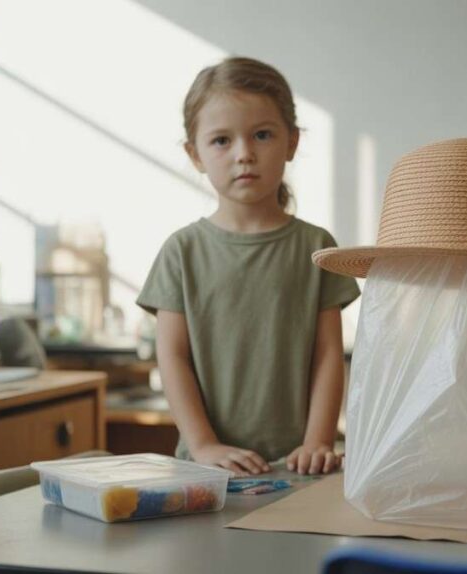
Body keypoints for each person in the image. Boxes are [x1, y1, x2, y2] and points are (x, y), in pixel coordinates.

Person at [137, 57, 360, 476]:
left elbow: (329, 354)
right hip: (208, 471)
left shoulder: (316, 247)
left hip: (299, 467)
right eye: (222, 140)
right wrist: (204, 445)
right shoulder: (181, 251)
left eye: (262, 135)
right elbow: (172, 356)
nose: (244, 154)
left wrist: (318, 441)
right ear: (195, 154)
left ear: (291, 143)